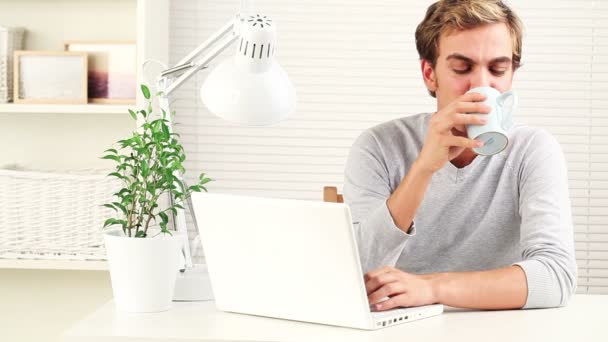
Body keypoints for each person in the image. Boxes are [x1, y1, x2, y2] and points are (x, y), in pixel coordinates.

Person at [343, 0, 576, 311]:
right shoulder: (378, 147)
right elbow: (357, 274)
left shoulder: (532, 150)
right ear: (430, 74)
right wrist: (424, 167)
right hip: (400, 325)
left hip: (497, 326)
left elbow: (556, 276)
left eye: (498, 69)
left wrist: (432, 287)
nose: (481, 85)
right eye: (462, 68)